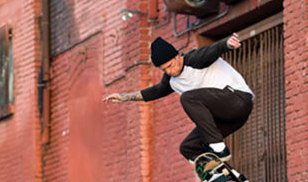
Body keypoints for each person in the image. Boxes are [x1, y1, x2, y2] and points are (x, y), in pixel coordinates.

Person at [103, 33, 253, 165]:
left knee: (188, 98)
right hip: (228, 120)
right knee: (189, 147)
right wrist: (124, 97)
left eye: (170, 65)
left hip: (238, 100)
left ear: (177, 57)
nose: (169, 71)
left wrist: (227, 44)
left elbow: (211, 51)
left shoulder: (193, 59)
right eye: (164, 70)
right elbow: (154, 92)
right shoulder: (171, 80)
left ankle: (219, 148)